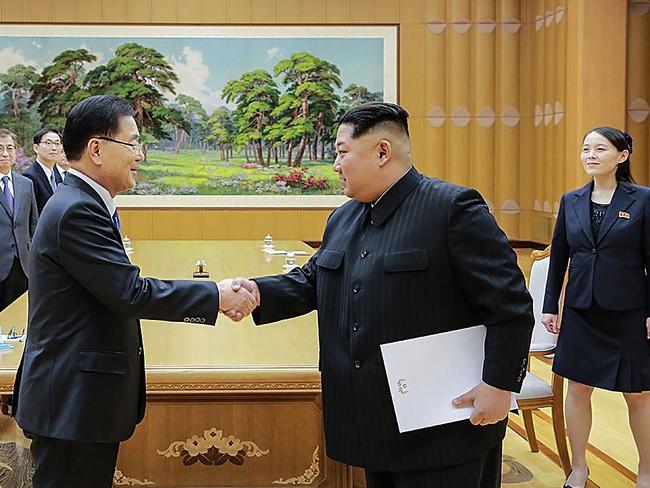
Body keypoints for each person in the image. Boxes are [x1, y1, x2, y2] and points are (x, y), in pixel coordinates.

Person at [231, 102, 534, 488]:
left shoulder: (452, 209)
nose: (335, 166)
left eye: (342, 153)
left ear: (382, 152)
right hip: (374, 421)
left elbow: (511, 305)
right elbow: (314, 280)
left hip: (444, 426)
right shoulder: (343, 216)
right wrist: (255, 292)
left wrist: (499, 385)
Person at [13, 95, 257, 488]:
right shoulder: (78, 209)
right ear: (97, 148)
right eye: (133, 144)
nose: (140, 156)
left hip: (78, 397)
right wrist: (217, 295)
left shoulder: (85, 201)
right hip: (72, 400)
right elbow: (130, 292)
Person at [542, 127, 650, 488]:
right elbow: (559, 256)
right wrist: (549, 306)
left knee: (637, 393)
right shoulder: (570, 200)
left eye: (600, 149)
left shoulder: (643, 200)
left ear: (622, 156)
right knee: (578, 389)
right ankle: (578, 467)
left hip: (628, 310)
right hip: (581, 310)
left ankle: (646, 471)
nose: (590, 154)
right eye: (585, 148)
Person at [0, 129, 38, 311]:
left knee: (20, 316)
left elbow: (34, 225)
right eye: (0, 148)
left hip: (23, 265)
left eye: (9, 148)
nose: (5, 153)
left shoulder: (26, 184)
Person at [23, 128, 64, 214]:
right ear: (36, 148)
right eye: (48, 143)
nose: (54, 148)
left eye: (57, 143)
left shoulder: (58, 174)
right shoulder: (29, 177)